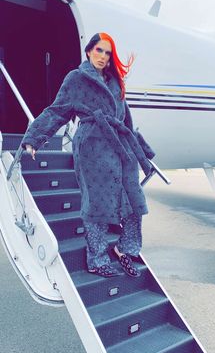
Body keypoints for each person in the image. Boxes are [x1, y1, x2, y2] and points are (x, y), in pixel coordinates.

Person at [22, 32, 155, 278]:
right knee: (97, 206)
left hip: (120, 147)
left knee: (134, 202)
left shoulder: (115, 81)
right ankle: (96, 259)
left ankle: (124, 249)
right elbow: (58, 110)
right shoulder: (76, 78)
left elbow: (125, 118)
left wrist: (142, 150)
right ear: (88, 51)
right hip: (92, 147)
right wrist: (34, 138)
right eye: (98, 51)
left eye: (107, 52)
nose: (103, 56)